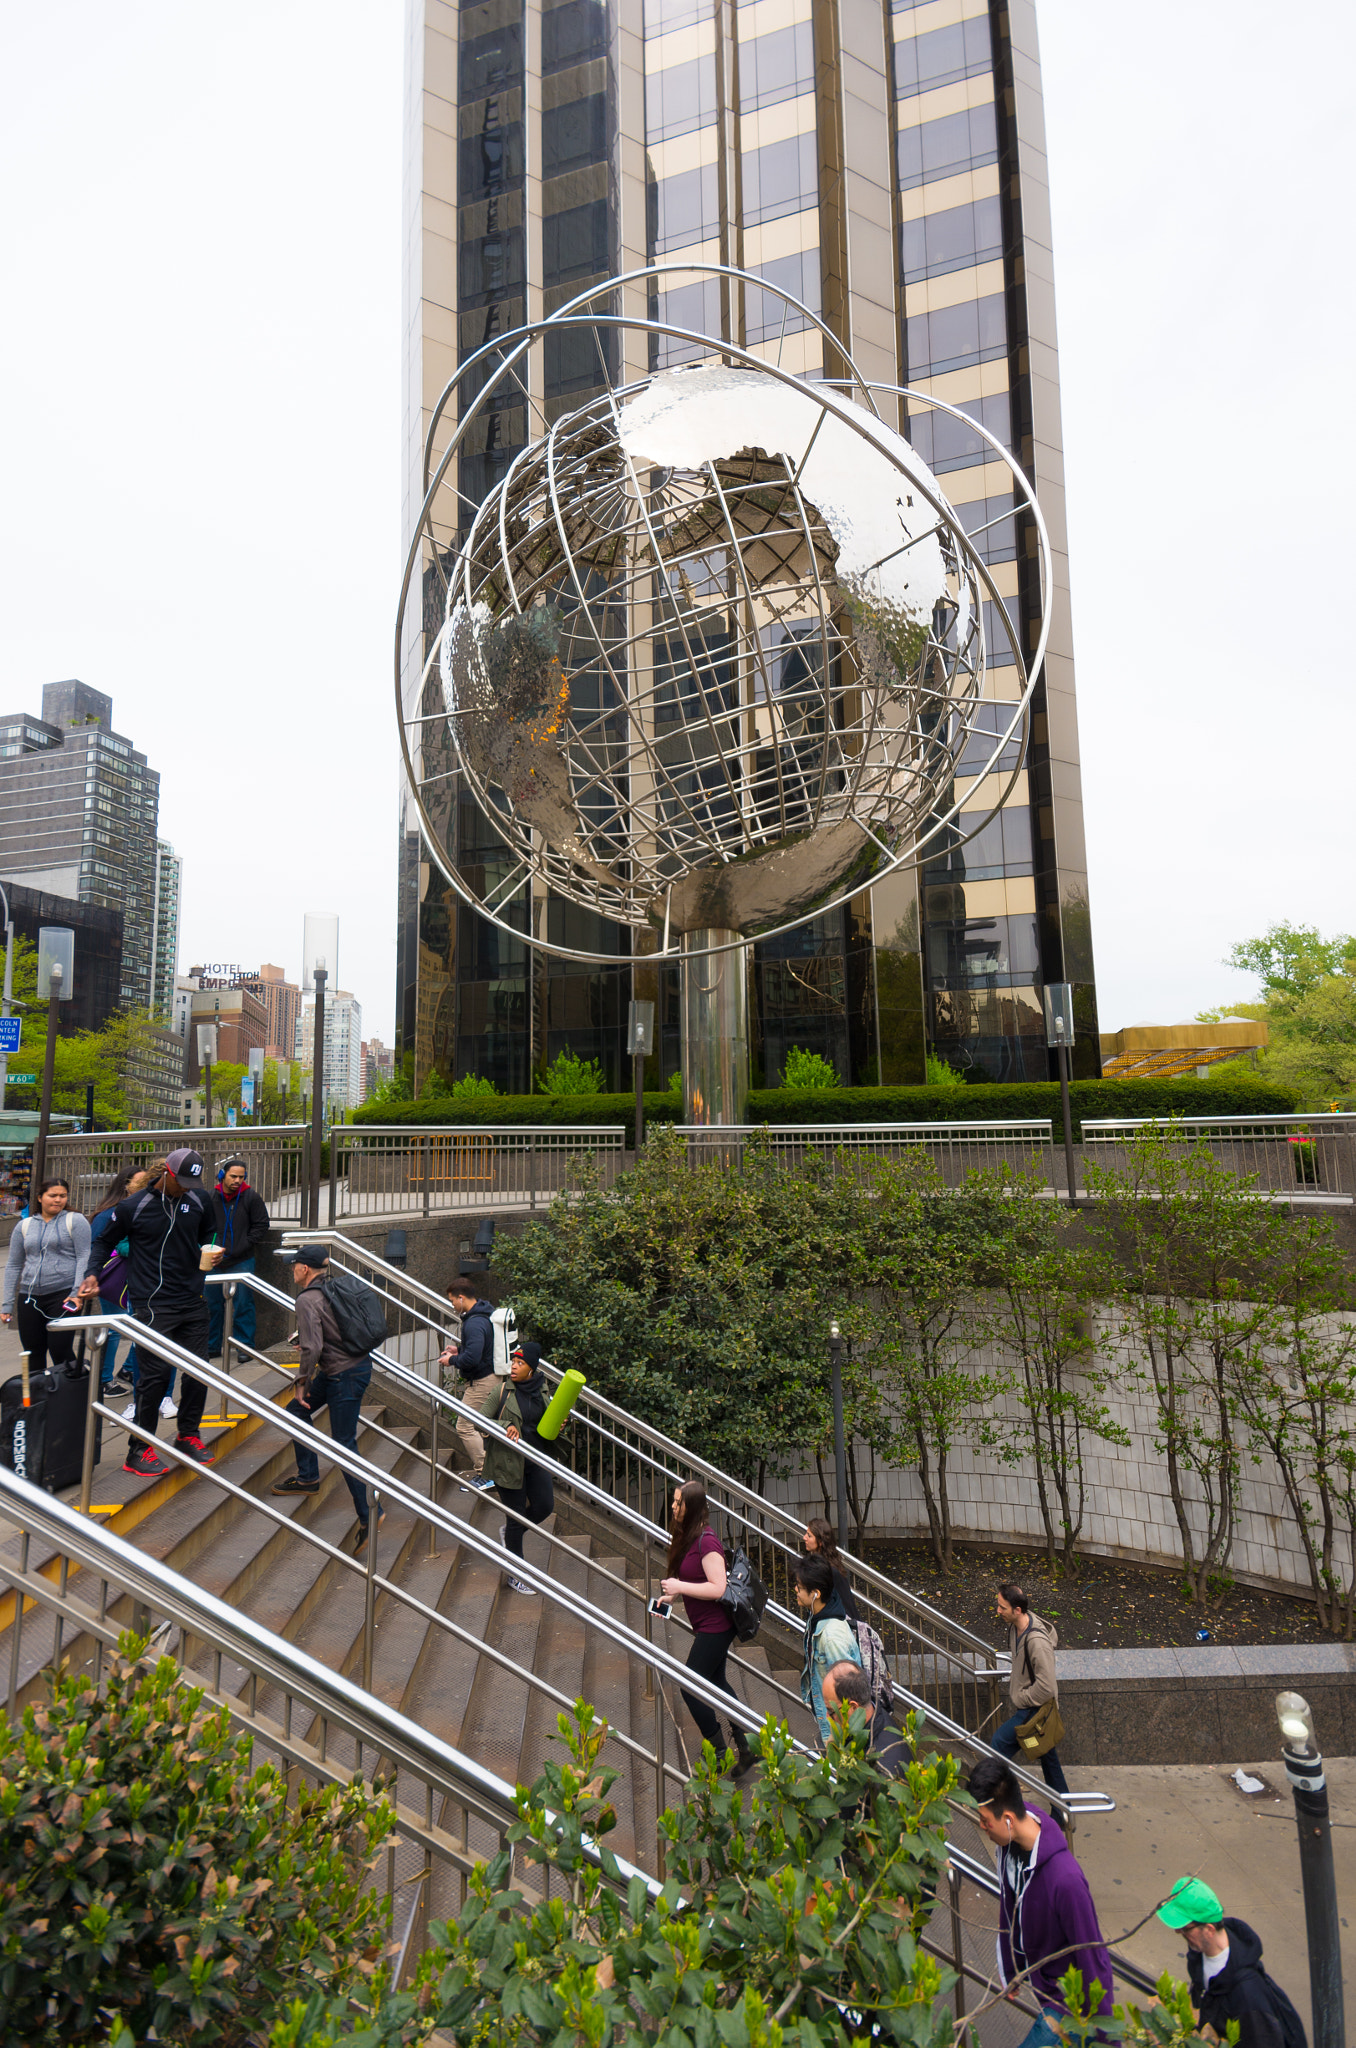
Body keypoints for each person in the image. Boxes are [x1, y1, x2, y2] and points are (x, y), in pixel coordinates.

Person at [76, 1147, 224, 1476]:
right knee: (153, 1379)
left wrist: (211, 1252)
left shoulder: (199, 1200)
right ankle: (139, 1448)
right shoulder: (134, 1206)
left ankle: (188, 1435)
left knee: (200, 1372)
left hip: (192, 1298)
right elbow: (102, 1242)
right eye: (182, 1180)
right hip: (152, 1303)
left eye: (192, 1181)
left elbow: (210, 1233)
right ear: (167, 1174)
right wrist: (92, 1273)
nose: (187, 1186)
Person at [967, 1755, 1114, 2044]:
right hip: (1042, 1985)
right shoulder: (1010, 1845)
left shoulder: (1066, 1881)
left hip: (1067, 2005)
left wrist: (1108, 2040)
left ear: (1007, 1820)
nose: (981, 1827)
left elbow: (1094, 1958)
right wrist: (1012, 1968)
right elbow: (1010, 1903)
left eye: (985, 1821)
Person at [272, 1243, 382, 1551]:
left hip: (342, 1376)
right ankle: (308, 1477)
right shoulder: (332, 1290)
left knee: (344, 1445)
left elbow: (313, 1348)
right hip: (353, 1368)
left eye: (294, 1265)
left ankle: (369, 1514)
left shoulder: (308, 1299)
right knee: (295, 1412)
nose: (292, 1269)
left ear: (304, 1269)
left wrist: (301, 1381)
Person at [660, 1477, 754, 1778]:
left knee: (689, 1687)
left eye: (679, 1503)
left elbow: (717, 1587)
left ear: (694, 1507)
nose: (673, 1507)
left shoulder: (707, 1541)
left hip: (717, 1625)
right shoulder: (689, 1536)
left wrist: (679, 1584)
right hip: (706, 1624)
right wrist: (673, 1594)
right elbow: (695, 1578)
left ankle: (718, 1750)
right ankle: (748, 1746)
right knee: (717, 1684)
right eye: (674, 1501)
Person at [1157, 1877, 1307, 2048]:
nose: (1179, 1932)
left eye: (1185, 1929)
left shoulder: (1248, 1996)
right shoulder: (1199, 1953)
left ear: (1209, 1930)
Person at [482, 1338, 554, 1595]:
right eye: (513, 1361)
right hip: (507, 1463)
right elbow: (480, 1419)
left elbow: (544, 1424)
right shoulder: (501, 1391)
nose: (513, 1366)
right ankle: (516, 1574)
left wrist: (559, 1423)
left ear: (531, 1369)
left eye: (520, 1362)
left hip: (534, 1460)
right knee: (515, 1517)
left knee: (545, 1506)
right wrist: (504, 1427)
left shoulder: (542, 1390)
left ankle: (511, 1532)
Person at [2, 1178, 91, 1376]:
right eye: (53, 1195)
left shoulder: (75, 1221)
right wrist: (6, 1304)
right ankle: (38, 1401)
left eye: (62, 1196)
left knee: (60, 1349)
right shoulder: (24, 1226)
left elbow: (84, 1256)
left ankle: (73, 1392)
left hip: (64, 1294)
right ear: (40, 1198)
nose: (58, 1200)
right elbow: (14, 1265)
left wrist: (77, 1293)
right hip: (29, 1295)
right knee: (33, 1353)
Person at [992, 1581, 1069, 1796]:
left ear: (1018, 1610)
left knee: (998, 1744)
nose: (998, 1611)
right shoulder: (1015, 1627)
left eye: (1002, 1607)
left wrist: (1021, 1697)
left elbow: (1046, 1687)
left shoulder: (1036, 1642)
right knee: (1049, 1760)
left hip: (1035, 1710)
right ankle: (1063, 1810)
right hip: (1035, 1710)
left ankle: (1008, 1801)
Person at [89, 1164, 153, 1403]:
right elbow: (100, 1247)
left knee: (133, 1326)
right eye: (139, 1183)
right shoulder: (109, 1214)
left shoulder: (137, 1209)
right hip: (113, 1280)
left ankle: (125, 1368)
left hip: (133, 1278)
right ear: (125, 1186)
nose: (143, 1188)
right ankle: (104, 1379)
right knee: (113, 1329)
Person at [794, 1552, 863, 1745]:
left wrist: (838, 1740)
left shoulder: (832, 1638)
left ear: (816, 1593)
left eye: (799, 1587)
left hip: (840, 1731)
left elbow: (848, 1693)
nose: (796, 1591)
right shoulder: (819, 1615)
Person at [207, 1155, 271, 1362]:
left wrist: (242, 1245)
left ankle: (245, 1346)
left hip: (241, 1259)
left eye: (241, 1177)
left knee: (243, 1304)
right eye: (233, 1176)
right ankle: (211, 1345)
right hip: (213, 1259)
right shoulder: (210, 1197)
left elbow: (261, 1225)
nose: (237, 1181)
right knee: (211, 1304)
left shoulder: (251, 1197)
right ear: (222, 1176)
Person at [440, 1278, 498, 1491]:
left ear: (462, 1298)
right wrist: (459, 1351)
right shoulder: (485, 1315)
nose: (453, 1305)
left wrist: (451, 1360)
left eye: (453, 1300)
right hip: (490, 1377)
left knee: (464, 1425)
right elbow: (480, 1351)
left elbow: (473, 1359)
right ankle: (493, 1471)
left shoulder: (474, 1322)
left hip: (482, 1381)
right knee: (484, 1428)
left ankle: (486, 1473)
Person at [822, 1658, 908, 1777]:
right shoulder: (876, 1714)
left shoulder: (881, 1770)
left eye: (831, 1710)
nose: (827, 1717)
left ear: (853, 1707)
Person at [803, 1517, 860, 1622]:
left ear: (820, 1542)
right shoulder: (820, 1564)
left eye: (809, 1536)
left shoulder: (829, 1571)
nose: (804, 1538)